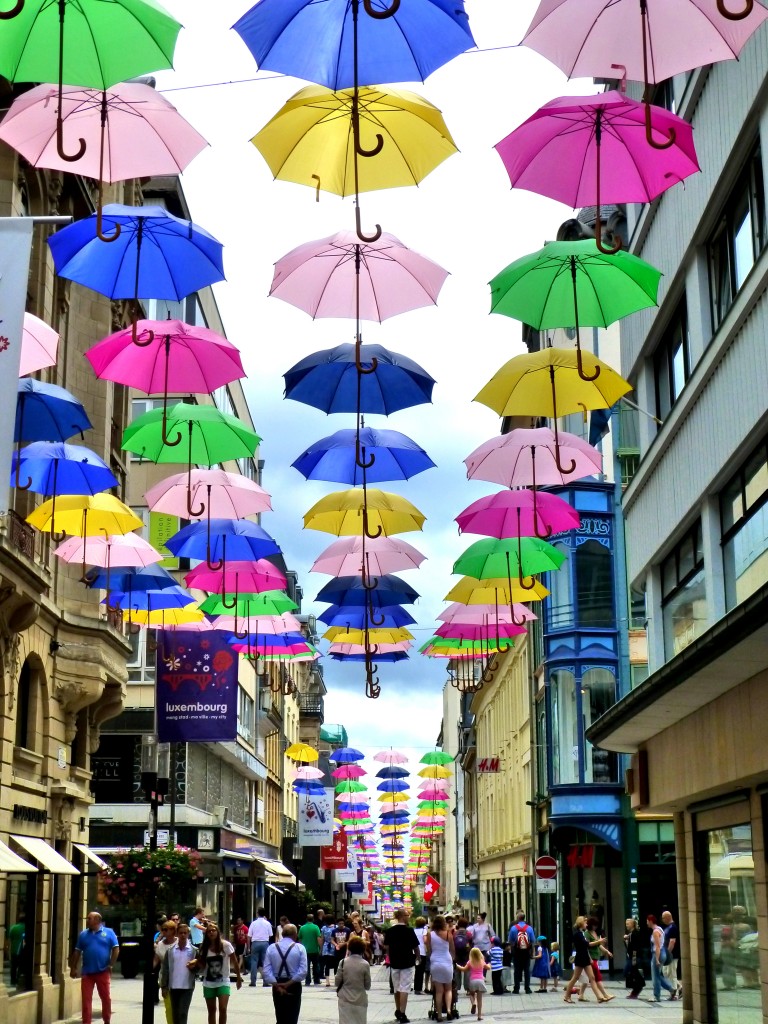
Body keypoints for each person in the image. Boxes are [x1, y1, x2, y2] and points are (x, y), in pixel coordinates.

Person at [69, 911, 120, 1024]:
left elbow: (116, 949)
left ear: (97, 920)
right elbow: (77, 952)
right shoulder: (83, 934)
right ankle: (86, 1022)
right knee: (86, 1000)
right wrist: (73, 967)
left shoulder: (109, 932)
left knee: (105, 998)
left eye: (89, 918)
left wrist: (111, 964)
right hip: (87, 972)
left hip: (102, 971)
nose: (87, 920)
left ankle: (107, 1019)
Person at [190, 921, 242, 1024]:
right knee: (211, 1010)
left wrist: (238, 977)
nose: (211, 933)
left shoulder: (226, 945)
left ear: (218, 932)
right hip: (208, 982)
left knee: (223, 1008)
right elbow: (202, 965)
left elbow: (235, 961)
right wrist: (195, 963)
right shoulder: (204, 948)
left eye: (214, 930)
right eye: (209, 931)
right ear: (207, 934)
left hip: (223, 981)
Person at [263, 923, 308, 1024]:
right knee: (293, 1016)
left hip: (277, 983)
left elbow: (266, 971)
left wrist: (276, 984)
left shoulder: (272, 948)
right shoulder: (300, 948)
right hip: (294, 984)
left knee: (280, 1016)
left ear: (282, 934)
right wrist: (289, 983)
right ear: (295, 935)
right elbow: (303, 971)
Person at [383, 908, 420, 1024]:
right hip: (407, 962)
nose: (408, 916)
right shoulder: (409, 931)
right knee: (405, 987)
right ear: (402, 916)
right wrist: (418, 957)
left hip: (394, 962)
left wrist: (390, 956)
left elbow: (387, 947)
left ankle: (398, 1009)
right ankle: (403, 1013)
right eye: (407, 915)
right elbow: (416, 947)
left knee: (396, 987)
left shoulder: (389, 931)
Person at [160, 922, 197, 1024]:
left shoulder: (194, 951)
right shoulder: (171, 950)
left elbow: (200, 968)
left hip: (187, 987)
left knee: (183, 1013)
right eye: (181, 933)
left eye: (185, 933)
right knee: (175, 1014)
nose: (183, 935)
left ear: (188, 934)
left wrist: (195, 966)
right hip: (174, 987)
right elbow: (165, 969)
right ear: (177, 934)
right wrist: (164, 986)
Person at [562, 916, 605, 1004]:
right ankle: (567, 996)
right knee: (575, 978)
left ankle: (599, 997)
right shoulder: (578, 934)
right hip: (580, 958)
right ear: (581, 923)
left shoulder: (581, 933)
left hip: (585, 957)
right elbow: (586, 944)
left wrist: (589, 958)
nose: (587, 924)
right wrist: (598, 941)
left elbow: (586, 946)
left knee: (592, 977)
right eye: (585, 923)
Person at [425, 915, 456, 1022]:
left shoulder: (430, 934)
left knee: (438, 991)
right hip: (447, 962)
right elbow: (452, 950)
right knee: (448, 989)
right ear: (444, 923)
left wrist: (431, 958)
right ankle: (448, 1010)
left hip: (435, 962)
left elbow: (429, 950)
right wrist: (452, 959)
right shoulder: (448, 934)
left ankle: (439, 1015)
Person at [336, 934, 372, 1024]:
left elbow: (337, 982)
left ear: (350, 948)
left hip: (344, 998)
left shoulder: (343, 962)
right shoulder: (365, 964)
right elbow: (367, 985)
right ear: (363, 949)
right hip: (360, 999)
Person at [578, 917, 614, 1002]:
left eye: (596, 925)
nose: (595, 927)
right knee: (596, 977)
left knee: (587, 978)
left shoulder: (594, 932)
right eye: (594, 925)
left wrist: (607, 951)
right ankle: (604, 995)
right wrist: (599, 942)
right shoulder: (587, 933)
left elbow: (599, 945)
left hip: (595, 958)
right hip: (590, 958)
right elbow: (588, 945)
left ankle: (581, 994)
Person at [647, 914, 677, 1002]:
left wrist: (656, 959)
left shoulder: (655, 931)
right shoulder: (660, 929)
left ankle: (657, 996)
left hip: (658, 953)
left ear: (651, 921)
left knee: (655, 976)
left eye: (647, 921)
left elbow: (657, 946)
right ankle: (671, 989)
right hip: (662, 952)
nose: (647, 923)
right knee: (658, 975)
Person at [155, 920, 179, 1023]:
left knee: (178, 1008)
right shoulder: (160, 944)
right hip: (165, 979)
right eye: (162, 929)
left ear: (173, 930)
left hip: (179, 978)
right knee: (169, 1008)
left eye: (165, 929)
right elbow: (156, 959)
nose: (163, 932)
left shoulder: (179, 942)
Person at [456, 946, 487, 1020]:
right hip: (481, 981)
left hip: (473, 981)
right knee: (480, 999)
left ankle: (473, 1003)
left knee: (471, 994)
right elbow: (487, 967)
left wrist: (457, 966)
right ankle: (479, 1016)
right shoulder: (481, 961)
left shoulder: (470, 962)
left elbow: (463, 969)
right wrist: (489, 965)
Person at [507, 910, 535, 994]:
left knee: (517, 970)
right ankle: (527, 988)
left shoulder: (514, 928)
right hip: (526, 952)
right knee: (527, 970)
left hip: (517, 951)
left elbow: (510, 940)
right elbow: (533, 940)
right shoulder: (529, 928)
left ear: (518, 918)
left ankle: (516, 988)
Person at [248, 909, 274, 987]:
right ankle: (265, 982)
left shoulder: (253, 923)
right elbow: (270, 935)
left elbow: (249, 936)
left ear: (257, 913)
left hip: (255, 943)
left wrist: (249, 947)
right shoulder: (267, 923)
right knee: (265, 963)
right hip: (265, 943)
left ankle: (253, 981)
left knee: (254, 961)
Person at [662, 911, 683, 1000]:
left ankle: (673, 992)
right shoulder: (668, 927)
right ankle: (680, 987)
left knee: (672, 973)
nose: (662, 920)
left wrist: (668, 953)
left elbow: (672, 941)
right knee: (665, 972)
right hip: (669, 954)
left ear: (667, 917)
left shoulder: (673, 927)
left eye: (663, 918)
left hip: (672, 955)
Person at [298, 913, 323, 986]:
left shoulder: (302, 928)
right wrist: (320, 948)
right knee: (316, 966)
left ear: (306, 919)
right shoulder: (316, 927)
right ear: (313, 919)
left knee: (307, 966)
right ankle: (316, 980)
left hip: (305, 950)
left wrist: (300, 947)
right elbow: (319, 938)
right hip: (315, 949)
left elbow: (300, 938)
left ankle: (307, 980)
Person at [623, 918, 645, 1000]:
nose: (626, 925)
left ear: (632, 924)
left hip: (634, 957)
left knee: (631, 973)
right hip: (631, 957)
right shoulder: (631, 934)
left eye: (628, 923)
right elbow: (628, 947)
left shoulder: (635, 934)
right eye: (626, 923)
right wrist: (625, 940)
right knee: (632, 973)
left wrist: (634, 958)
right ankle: (636, 990)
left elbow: (635, 947)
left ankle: (637, 989)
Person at [453, 918, 471, 999]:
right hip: (466, 954)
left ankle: (456, 988)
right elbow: (471, 942)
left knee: (457, 971)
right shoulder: (468, 933)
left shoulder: (455, 933)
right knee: (467, 971)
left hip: (457, 954)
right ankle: (468, 989)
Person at [7, 912, 25, 987]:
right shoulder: (26, 928)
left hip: (13, 950)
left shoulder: (13, 928)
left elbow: (9, 940)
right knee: (21, 966)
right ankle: (19, 980)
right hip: (22, 951)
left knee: (13, 967)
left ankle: (13, 981)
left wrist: (7, 949)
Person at [414, 916, 430, 995]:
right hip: (422, 952)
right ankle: (418, 989)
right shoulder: (424, 931)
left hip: (414, 952)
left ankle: (416, 987)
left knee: (417, 970)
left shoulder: (414, 930)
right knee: (420, 971)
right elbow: (425, 940)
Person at [322, 916, 338, 986]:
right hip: (334, 946)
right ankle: (335, 979)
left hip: (326, 947)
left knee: (327, 965)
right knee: (335, 964)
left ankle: (327, 981)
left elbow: (322, 938)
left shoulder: (324, 928)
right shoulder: (336, 927)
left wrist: (321, 948)